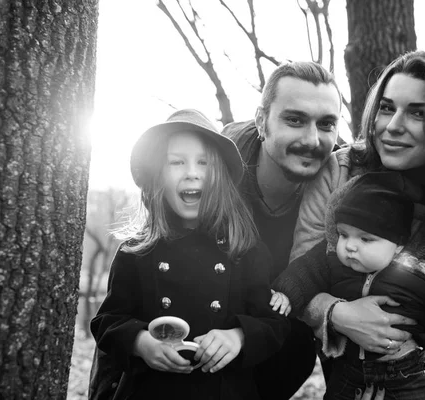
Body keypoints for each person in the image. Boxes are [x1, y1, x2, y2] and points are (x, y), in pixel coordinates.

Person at [275, 50, 425, 399]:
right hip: (345, 361)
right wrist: (338, 314)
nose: (392, 125)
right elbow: (306, 265)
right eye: (387, 107)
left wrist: (415, 373)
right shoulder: (340, 171)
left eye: (418, 112)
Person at [90, 109, 290, 399]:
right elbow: (107, 320)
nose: (191, 172)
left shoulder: (244, 248)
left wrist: (238, 336)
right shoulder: (137, 251)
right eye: (177, 162)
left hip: (224, 390)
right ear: (157, 176)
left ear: (219, 176)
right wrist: (141, 342)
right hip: (151, 390)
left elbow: (274, 324)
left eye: (203, 163)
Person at [272, 170, 425, 399]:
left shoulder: (421, 272)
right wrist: (286, 293)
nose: (350, 246)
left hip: (408, 374)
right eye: (343, 234)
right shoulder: (331, 260)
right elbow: (302, 273)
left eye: (365, 239)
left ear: (399, 244)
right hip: (349, 371)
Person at [221, 60, 348, 400]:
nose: (312, 139)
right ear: (262, 120)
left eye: (326, 124)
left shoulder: (347, 180)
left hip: (291, 339)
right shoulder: (217, 168)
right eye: (294, 119)